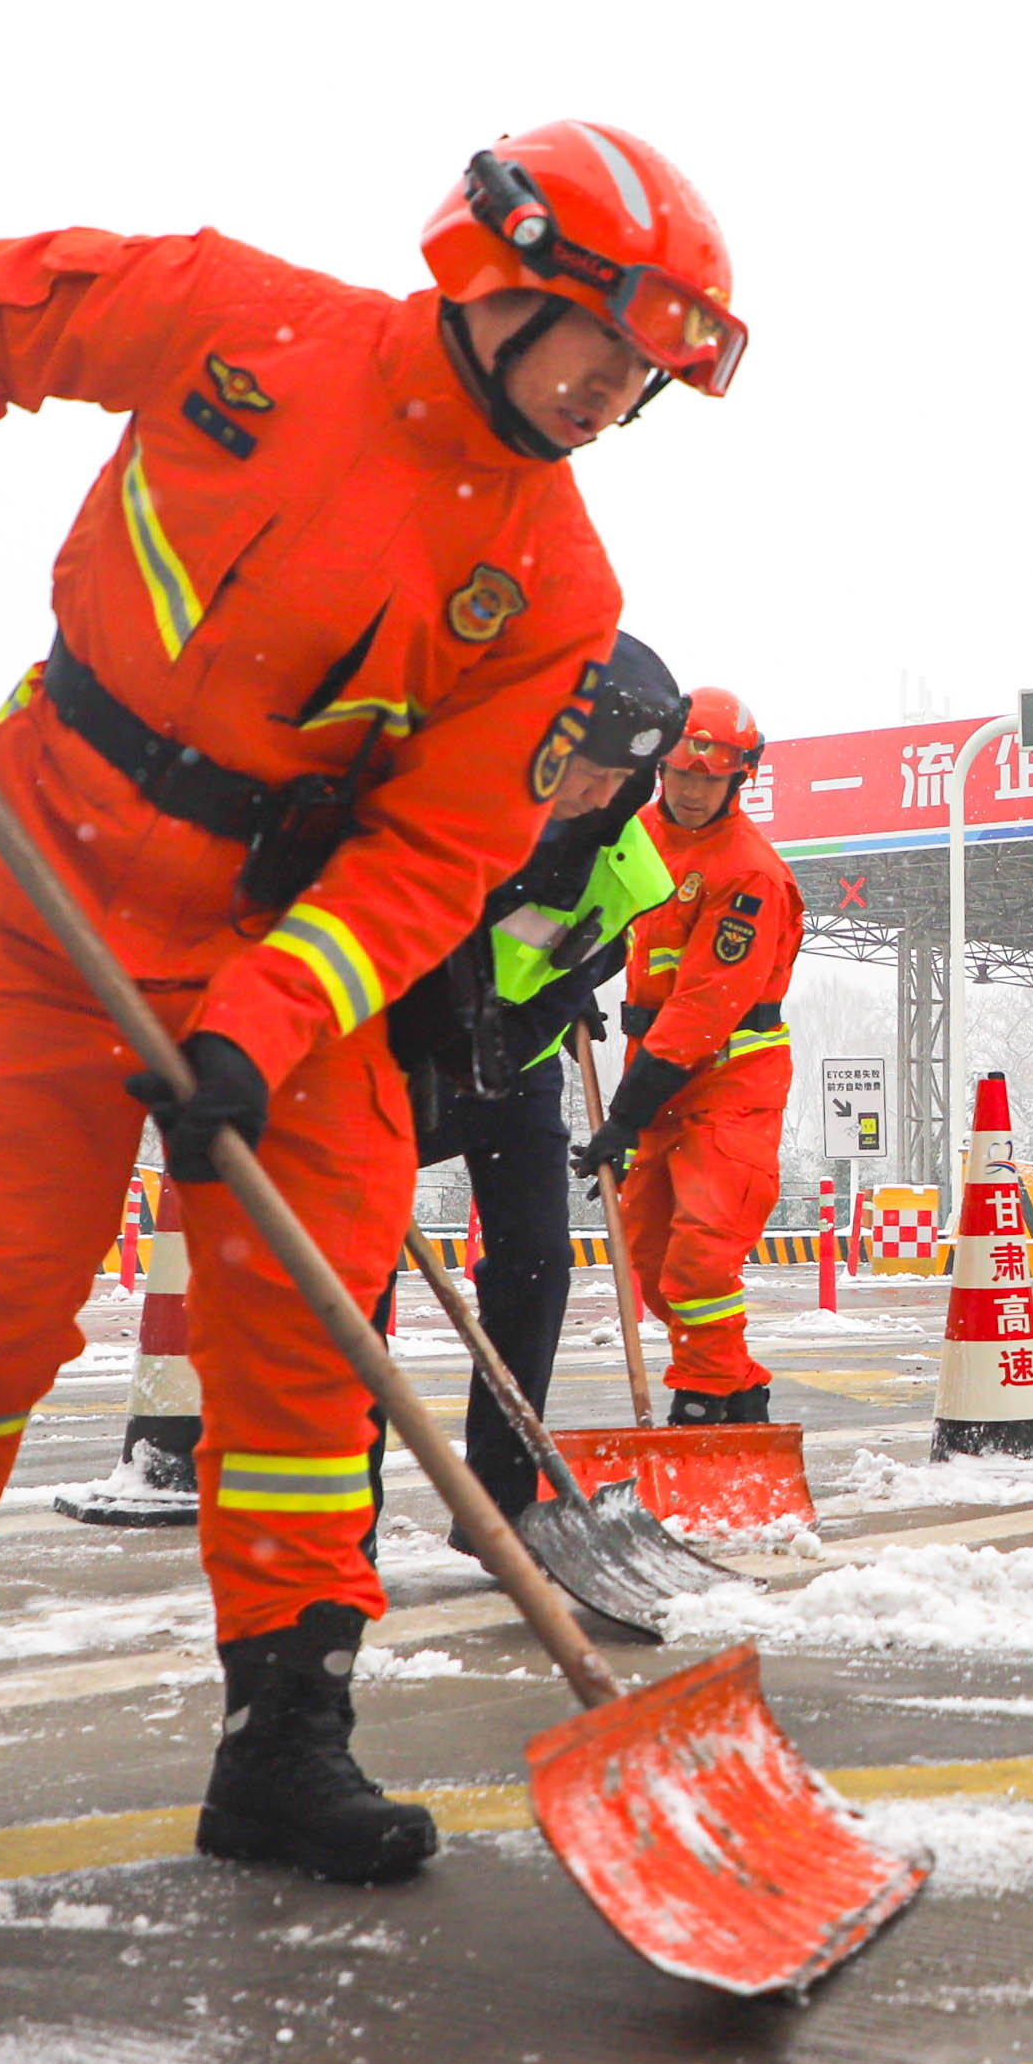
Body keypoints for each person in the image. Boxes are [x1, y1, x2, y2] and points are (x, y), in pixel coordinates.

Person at [0, 121, 741, 1881]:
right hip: (44, 886)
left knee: (307, 1353)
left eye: (643, 377)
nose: (614, 394)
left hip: (277, 957)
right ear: (498, 272)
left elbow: (438, 857)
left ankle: (286, 1740)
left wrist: (263, 1026)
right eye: (603, 345)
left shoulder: (556, 594)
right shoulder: (238, 319)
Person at [389, 633, 687, 1518]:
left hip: (513, 1074)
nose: (597, 797)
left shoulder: (628, 864)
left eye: (618, 784)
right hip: (394, 1066)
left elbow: (586, 969)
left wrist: (519, 1032)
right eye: (583, 772)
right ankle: (342, 1521)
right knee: (354, 1272)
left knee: (537, 1267)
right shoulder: (453, 817)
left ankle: (502, 1507)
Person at [572, 690, 802, 1425]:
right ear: (661, 769)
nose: (694, 791)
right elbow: (603, 923)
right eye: (681, 774)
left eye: (712, 777)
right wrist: (567, 982)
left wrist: (622, 1120)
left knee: (702, 1254)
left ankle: (704, 1397)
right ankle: (737, 1390)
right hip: (657, 1074)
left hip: (731, 1081)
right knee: (649, 1255)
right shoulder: (637, 834)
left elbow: (704, 1008)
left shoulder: (749, 874)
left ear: (738, 778)